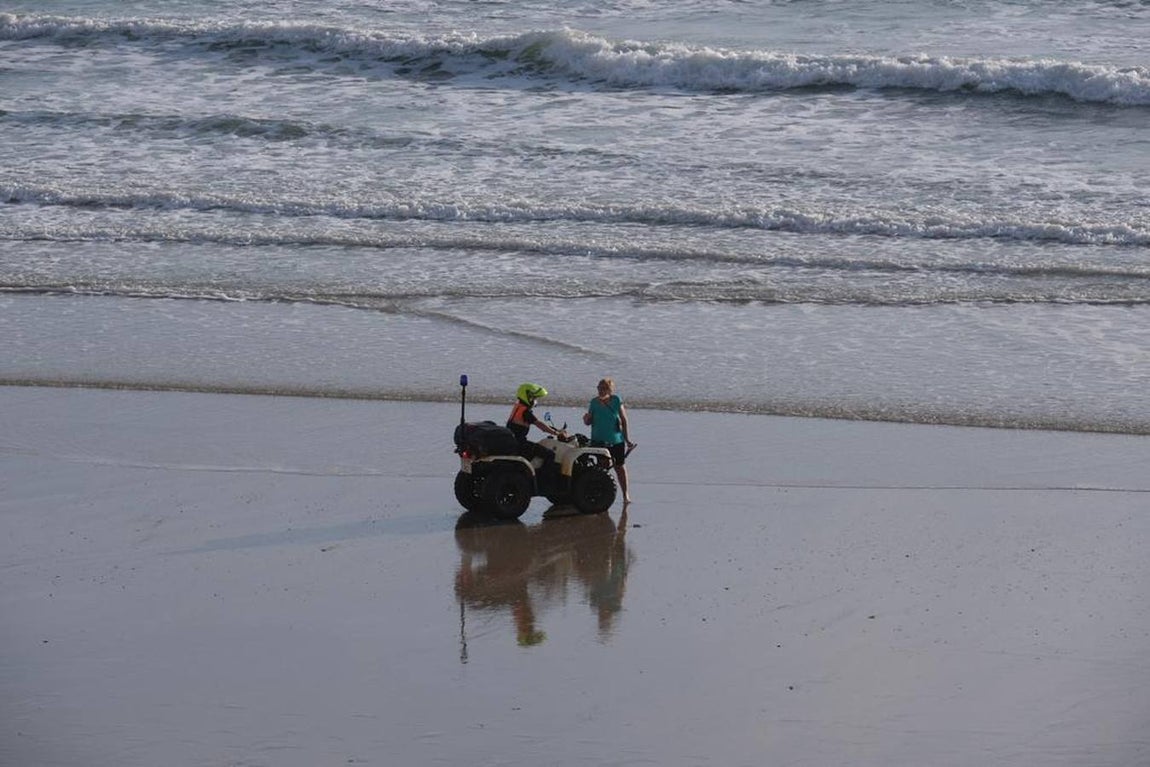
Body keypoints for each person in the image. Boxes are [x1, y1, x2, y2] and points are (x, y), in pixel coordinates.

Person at [583, 377, 635, 504]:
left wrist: (627, 439)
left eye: (604, 388)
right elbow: (588, 422)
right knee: (602, 467)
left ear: (610, 390)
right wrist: (586, 418)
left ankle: (625, 495)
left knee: (619, 467)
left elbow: (624, 420)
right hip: (598, 441)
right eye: (599, 388)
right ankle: (601, 496)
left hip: (616, 439)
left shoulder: (616, 400)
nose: (601, 391)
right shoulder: (594, 402)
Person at [507, 382, 564, 463]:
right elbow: (540, 424)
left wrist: (555, 430)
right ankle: (546, 475)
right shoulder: (525, 412)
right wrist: (556, 433)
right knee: (550, 454)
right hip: (520, 444)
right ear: (527, 397)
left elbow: (538, 422)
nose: (535, 401)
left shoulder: (518, 407)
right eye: (534, 398)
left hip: (513, 442)